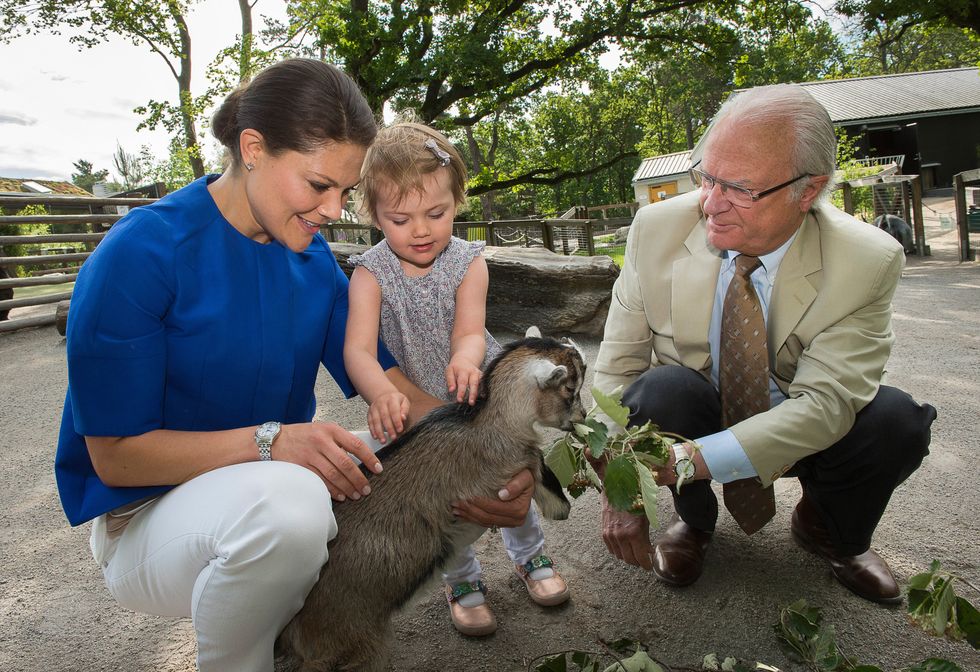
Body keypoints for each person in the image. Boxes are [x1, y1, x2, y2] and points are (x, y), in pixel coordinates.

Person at [54, 59, 536, 672]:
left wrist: (485, 453)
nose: (335, 209)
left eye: (345, 188)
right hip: (146, 522)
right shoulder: (138, 254)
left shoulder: (312, 266)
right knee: (291, 509)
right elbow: (114, 455)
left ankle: (305, 636)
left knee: (404, 458)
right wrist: (272, 442)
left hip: (270, 482)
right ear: (252, 148)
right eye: (318, 186)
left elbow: (392, 388)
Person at [591, 84, 937, 604]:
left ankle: (831, 531)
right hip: (699, 413)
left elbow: (826, 405)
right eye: (706, 175)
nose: (710, 203)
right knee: (658, 390)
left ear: (808, 190)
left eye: (739, 188)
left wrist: (687, 460)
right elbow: (616, 372)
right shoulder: (656, 229)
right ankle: (694, 524)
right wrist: (620, 478)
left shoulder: (869, 260)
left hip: (799, 430)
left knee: (896, 422)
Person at [343, 121, 571, 637]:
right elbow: (357, 350)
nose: (420, 230)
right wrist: (379, 391)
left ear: (457, 202)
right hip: (410, 406)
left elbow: (470, 330)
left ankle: (530, 556)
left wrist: (467, 360)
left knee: (510, 473)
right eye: (400, 219)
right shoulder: (368, 273)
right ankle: (462, 580)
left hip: (473, 391)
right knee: (441, 498)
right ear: (374, 215)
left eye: (436, 213)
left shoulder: (468, 261)